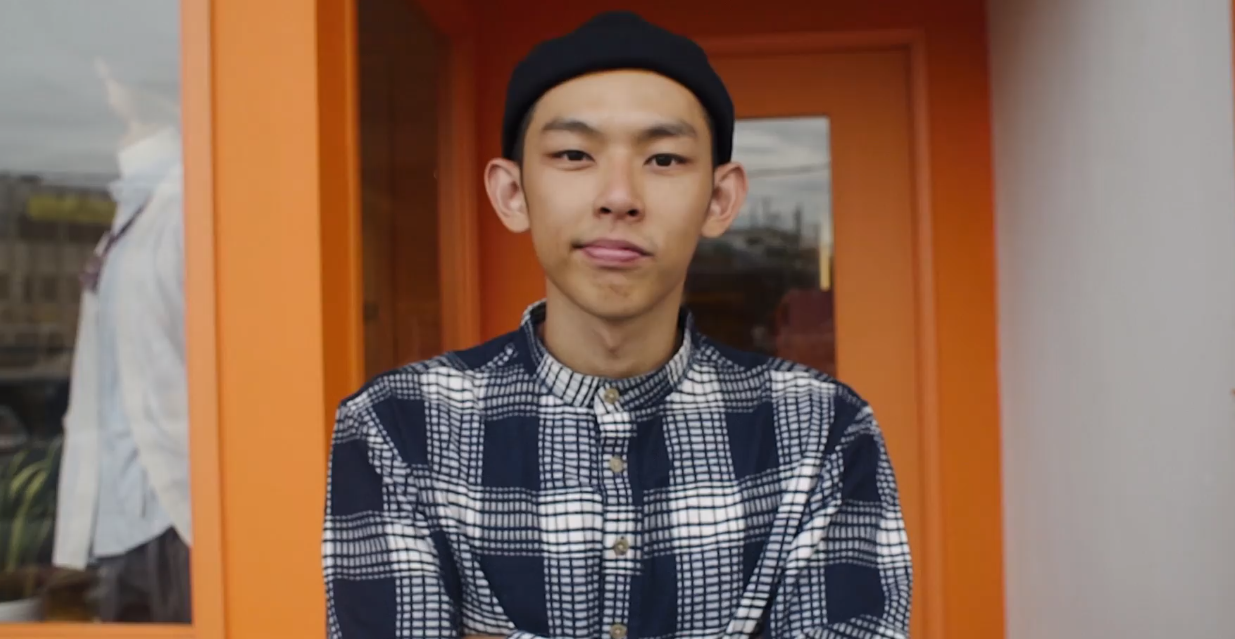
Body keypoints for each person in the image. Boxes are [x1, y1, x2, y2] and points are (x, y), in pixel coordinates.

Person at [323, 10, 911, 639]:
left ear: (719, 200)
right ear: (512, 194)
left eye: (664, 158)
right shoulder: (399, 427)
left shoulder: (821, 430)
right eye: (574, 154)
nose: (619, 196)